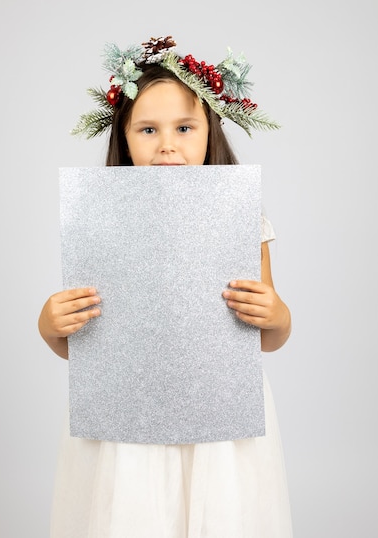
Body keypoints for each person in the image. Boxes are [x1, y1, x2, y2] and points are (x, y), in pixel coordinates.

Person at [39, 36, 293, 537]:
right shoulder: (100, 223)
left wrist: (275, 312)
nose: (167, 144)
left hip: (220, 410)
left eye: (184, 127)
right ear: (125, 137)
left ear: (208, 133)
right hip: (125, 415)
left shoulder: (242, 221)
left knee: (218, 514)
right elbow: (88, 345)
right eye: (148, 129)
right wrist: (50, 326)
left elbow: (269, 336)